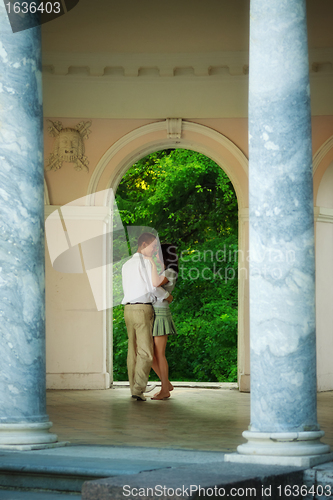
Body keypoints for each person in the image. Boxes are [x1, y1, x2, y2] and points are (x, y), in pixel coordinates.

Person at [121, 233, 172, 401]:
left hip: (128, 310)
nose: (154, 250)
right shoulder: (146, 262)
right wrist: (166, 295)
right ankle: (138, 389)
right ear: (143, 244)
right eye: (153, 246)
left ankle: (135, 386)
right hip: (143, 310)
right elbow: (152, 286)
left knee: (133, 351)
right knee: (146, 352)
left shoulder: (126, 264)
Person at [145, 244, 178, 400]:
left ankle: (165, 389)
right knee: (150, 355)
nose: (155, 255)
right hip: (155, 312)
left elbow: (154, 286)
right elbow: (153, 288)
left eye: (158, 253)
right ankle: (166, 383)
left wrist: (151, 263)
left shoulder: (170, 272)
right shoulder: (162, 272)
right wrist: (165, 295)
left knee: (159, 354)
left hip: (161, 313)